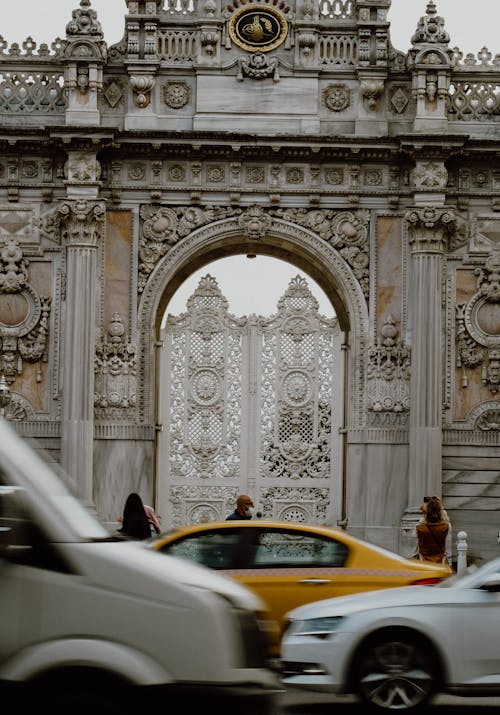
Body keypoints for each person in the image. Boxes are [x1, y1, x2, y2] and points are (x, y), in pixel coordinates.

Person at [416, 496, 449, 564]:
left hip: (424, 562)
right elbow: (445, 519)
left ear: (427, 512)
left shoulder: (420, 528)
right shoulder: (445, 527)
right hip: (440, 562)